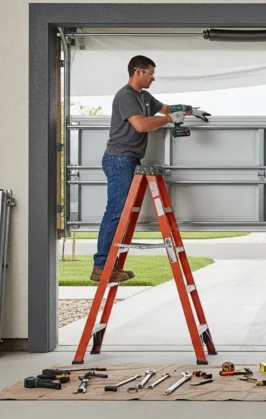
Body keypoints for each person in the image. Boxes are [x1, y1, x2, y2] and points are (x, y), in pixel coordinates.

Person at [90, 55, 211, 283]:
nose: (153, 78)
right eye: (151, 73)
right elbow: (142, 124)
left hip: (130, 159)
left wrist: (189, 110)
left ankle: (110, 265)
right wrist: (169, 119)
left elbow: (165, 108)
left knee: (121, 213)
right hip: (119, 159)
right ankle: (100, 266)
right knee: (115, 212)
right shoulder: (125, 96)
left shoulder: (143, 97)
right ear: (138, 71)